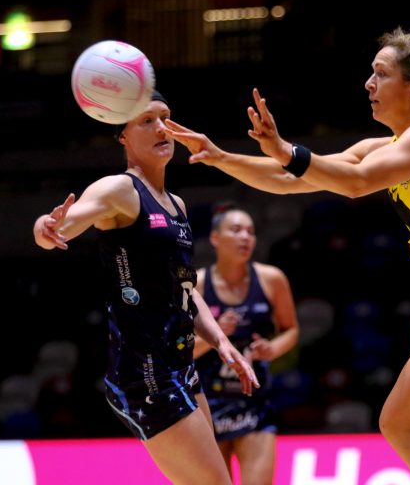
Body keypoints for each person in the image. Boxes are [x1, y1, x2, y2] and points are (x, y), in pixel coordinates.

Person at [163, 27, 410, 484]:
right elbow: (293, 179)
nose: (368, 84)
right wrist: (221, 157)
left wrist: (286, 150)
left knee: (400, 423)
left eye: (380, 74)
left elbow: (354, 183)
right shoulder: (387, 147)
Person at [32, 90, 259, 485]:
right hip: (145, 375)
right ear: (122, 136)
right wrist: (46, 229)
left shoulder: (177, 205)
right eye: (146, 121)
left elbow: (186, 289)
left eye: (165, 117)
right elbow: (67, 223)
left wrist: (221, 342)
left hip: (181, 365)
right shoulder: (119, 190)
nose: (161, 128)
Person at [193, 204, 299, 485]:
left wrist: (273, 348)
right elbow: (180, 351)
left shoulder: (271, 279)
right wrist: (217, 337)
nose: (245, 238)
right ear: (215, 238)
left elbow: (291, 330)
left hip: (255, 403)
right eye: (236, 230)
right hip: (208, 405)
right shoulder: (198, 286)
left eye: (251, 232)